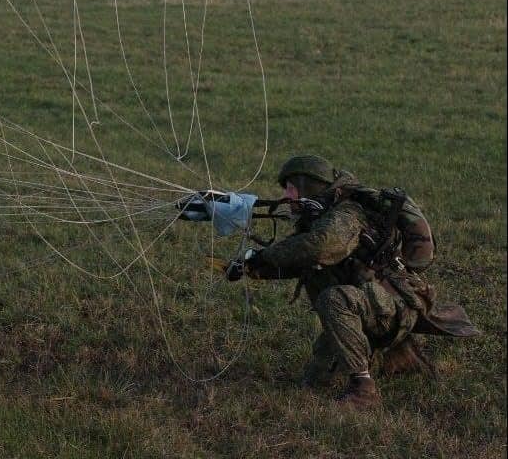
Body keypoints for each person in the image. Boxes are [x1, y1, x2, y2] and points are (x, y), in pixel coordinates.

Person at [181, 155, 479, 408]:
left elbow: (319, 247)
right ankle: (400, 355)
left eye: (290, 188)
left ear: (308, 185)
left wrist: (264, 256)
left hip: (390, 304)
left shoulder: (346, 215)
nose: (287, 196)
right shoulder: (321, 218)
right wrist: (249, 267)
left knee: (333, 300)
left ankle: (363, 390)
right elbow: (302, 261)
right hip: (373, 303)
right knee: (316, 380)